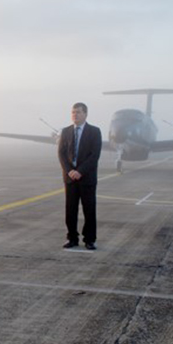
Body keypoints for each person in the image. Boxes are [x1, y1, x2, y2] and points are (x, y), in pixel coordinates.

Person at [58, 103, 102, 250]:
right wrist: (70, 170)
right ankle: (72, 238)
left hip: (87, 178)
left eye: (78, 112)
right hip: (70, 178)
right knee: (70, 210)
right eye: (72, 112)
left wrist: (80, 171)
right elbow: (61, 154)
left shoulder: (95, 132)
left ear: (85, 114)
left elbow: (94, 155)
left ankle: (89, 239)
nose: (74, 115)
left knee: (89, 209)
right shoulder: (65, 132)